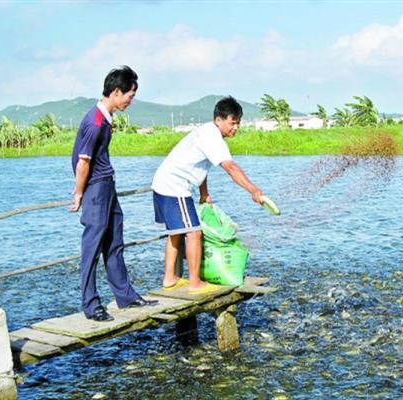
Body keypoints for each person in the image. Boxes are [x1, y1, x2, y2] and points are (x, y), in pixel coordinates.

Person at [70, 66, 157, 322]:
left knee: (115, 241)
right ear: (116, 92)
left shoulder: (106, 117)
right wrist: (79, 193)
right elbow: (82, 162)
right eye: (129, 95)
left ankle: (126, 296)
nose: (131, 101)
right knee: (92, 246)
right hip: (96, 187)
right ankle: (91, 304)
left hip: (108, 184)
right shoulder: (95, 122)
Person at [151, 96, 264, 293]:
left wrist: (204, 193)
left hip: (164, 183)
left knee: (176, 233)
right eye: (232, 123)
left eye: (238, 123)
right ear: (218, 120)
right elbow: (230, 167)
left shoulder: (207, 133)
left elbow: (201, 166)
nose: (235, 127)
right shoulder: (212, 137)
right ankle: (195, 283)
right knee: (194, 232)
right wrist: (253, 190)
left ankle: (169, 278)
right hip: (174, 186)